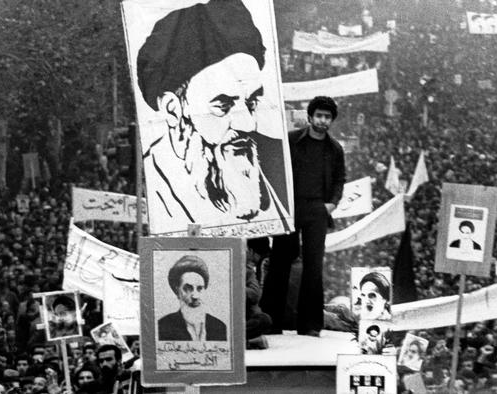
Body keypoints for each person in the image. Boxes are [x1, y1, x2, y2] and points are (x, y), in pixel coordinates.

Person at [135, 0, 290, 233]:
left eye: (252, 102)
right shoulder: (153, 188)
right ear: (173, 109)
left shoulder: (276, 160)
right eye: (223, 106)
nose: (248, 124)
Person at [260, 96, 346, 337]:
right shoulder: (291, 140)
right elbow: (274, 168)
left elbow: (340, 179)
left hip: (317, 210)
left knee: (313, 266)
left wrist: (331, 204)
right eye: (319, 116)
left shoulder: (335, 148)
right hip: (290, 208)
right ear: (310, 117)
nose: (322, 121)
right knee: (280, 261)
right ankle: (271, 320)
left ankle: (309, 325)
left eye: (327, 117)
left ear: (331, 121)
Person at [157, 255, 227, 341]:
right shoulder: (163, 326)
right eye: (188, 288)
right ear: (177, 291)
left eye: (199, 288)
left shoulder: (219, 327)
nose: (195, 296)